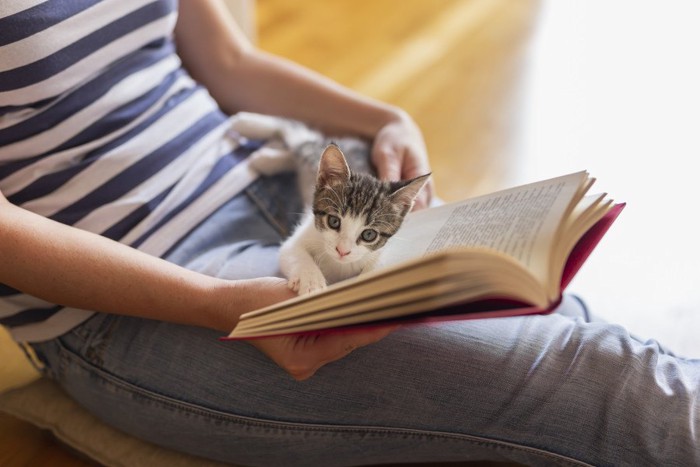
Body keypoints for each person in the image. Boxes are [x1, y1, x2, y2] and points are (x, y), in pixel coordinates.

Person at [0, 1, 697, 466]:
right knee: (605, 380)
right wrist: (216, 301)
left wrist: (384, 118)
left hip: (281, 182)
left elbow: (229, 64)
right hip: (137, 291)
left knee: (559, 318)